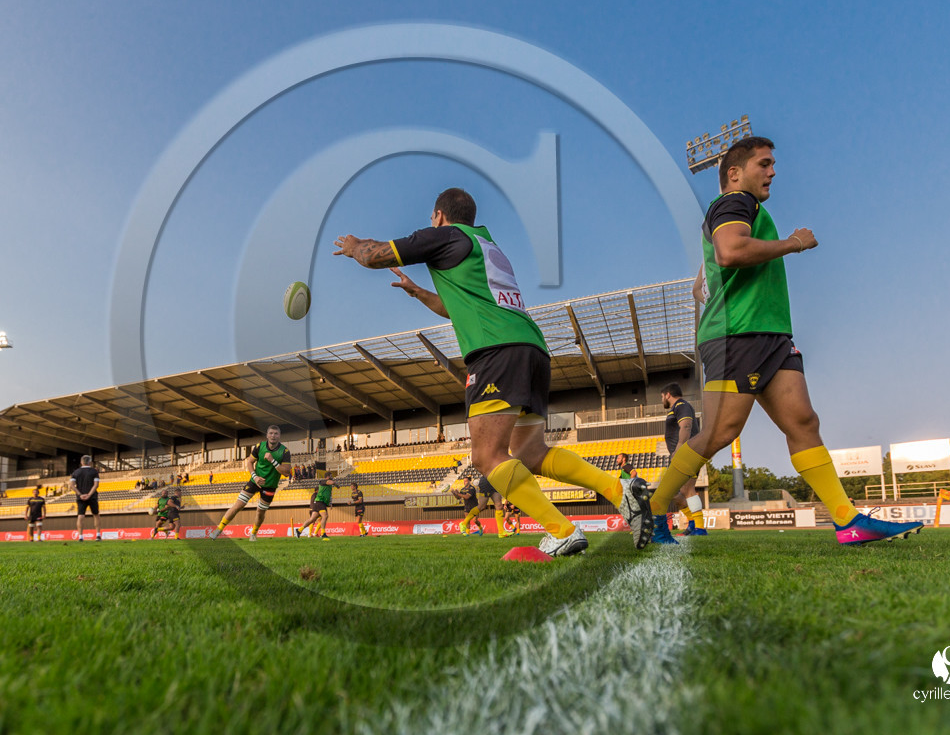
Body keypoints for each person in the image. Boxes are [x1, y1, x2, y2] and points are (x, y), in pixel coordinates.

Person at [335, 188, 653, 556]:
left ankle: (562, 529)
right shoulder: (485, 246)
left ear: (439, 215)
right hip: (530, 347)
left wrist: (356, 245)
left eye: (432, 217)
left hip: (495, 352)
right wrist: (418, 292)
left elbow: (375, 256)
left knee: (486, 456)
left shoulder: (443, 235)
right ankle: (620, 490)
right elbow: (457, 308)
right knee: (531, 452)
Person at [649, 136, 922, 546]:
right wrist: (794, 243)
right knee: (719, 433)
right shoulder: (734, 203)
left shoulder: (744, 209)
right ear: (735, 173)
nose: (773, 171)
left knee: (803, 422)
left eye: (773, 164)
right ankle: (652, 509)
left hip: (771, 335)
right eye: (764, 163)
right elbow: (729, 250)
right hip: (737, 335)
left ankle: (847, 520)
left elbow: (712, 266)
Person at [211, 424, 292, 540]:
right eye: (271, 433)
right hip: (255, 481)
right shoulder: (260, 446)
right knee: (238, 505)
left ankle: (253, 533)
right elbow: (249, 462)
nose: (273, 436)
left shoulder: (284, 451)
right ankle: (219, 529)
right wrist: (255, 476)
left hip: (270, 486)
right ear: (267, 435)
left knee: (260, 511)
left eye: (276, 434)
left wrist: (272, 460)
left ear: (279, 436)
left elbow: (286, 472)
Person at [661, 383, 706, 536]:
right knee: (681, 491)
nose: (662, 400)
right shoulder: (677, 408)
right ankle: (695, 525)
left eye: (662, 396)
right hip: (683, 453)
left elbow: (686, 426)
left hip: (685, 453)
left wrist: (679, 448)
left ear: (668, 394)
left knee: (682, 490)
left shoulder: (681, 405)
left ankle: (699, 528)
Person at [70, 455, 102, 542]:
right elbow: (96, 485)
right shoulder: (94, 471)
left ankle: (80, 537)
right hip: (92, 496)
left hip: (80, 497)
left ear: (81, 462)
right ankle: (98, 535)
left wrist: (80, 494)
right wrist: (89, 495)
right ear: (90, 462)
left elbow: (72, 486)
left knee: (80, 516)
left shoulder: (75, 472)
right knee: (96, 515)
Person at [296, 476, 334, 541]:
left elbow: (329, 495)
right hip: (320, 503)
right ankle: (323, 533)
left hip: (318, 504)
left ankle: (299, 530)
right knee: (325, 516)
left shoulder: (327, 488)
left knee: (312, 519)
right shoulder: (322, 483)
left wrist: (330, 503)